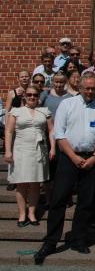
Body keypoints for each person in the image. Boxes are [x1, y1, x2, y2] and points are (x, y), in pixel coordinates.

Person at [34, 74, 95, 265]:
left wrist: (94, 157)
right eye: (87, 88)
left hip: (91, 160)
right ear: (80, 87)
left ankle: (78, 239)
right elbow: (59, 134)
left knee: (86, 202)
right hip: (69, 158)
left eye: (93, 88)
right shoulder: (67, 105)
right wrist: (74, 157)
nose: (90, 91)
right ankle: (51, 241)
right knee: (59, 200)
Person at [4, 85, 55, 227]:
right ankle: (22, 214)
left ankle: (32, 213)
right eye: (29, 95)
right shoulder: (16, 111)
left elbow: (51, 131)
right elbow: (9, 132)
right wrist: (8, 151)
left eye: (35, 95)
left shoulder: (44, 111)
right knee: (21, 183)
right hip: (20, 149)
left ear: (39, 97)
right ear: (25, 96)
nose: (32, 97)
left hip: (39, 150)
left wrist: (53, 148)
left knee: (35, 183)